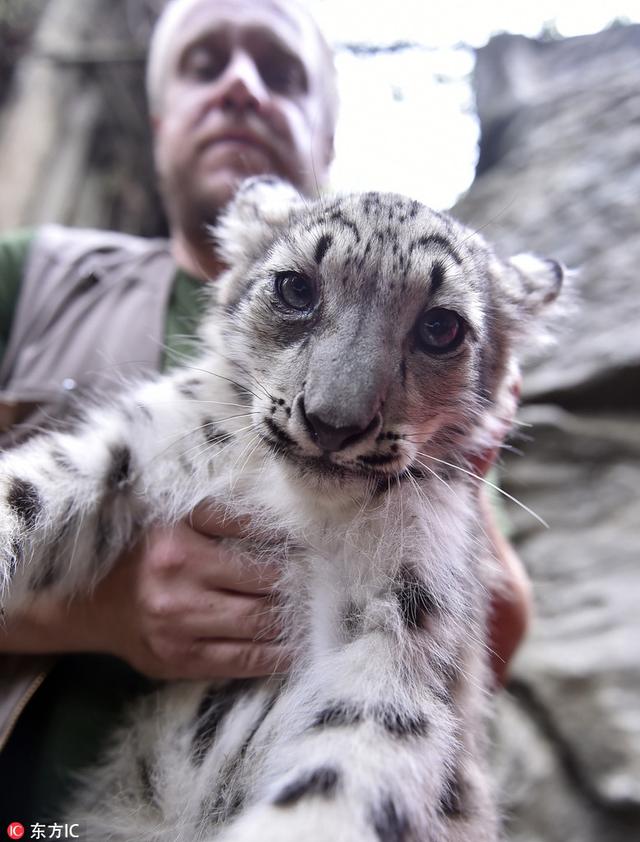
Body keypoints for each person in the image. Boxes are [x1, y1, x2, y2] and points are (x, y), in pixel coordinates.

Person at [0, 0, 530, 823]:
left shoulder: (444, 439)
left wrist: (465, 482)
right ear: (157, 114)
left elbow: (484, 646)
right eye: (204, 64)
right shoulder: (30, 275)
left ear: (326, 136)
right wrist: (104, 611)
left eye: (438, 329)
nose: (338, 409)